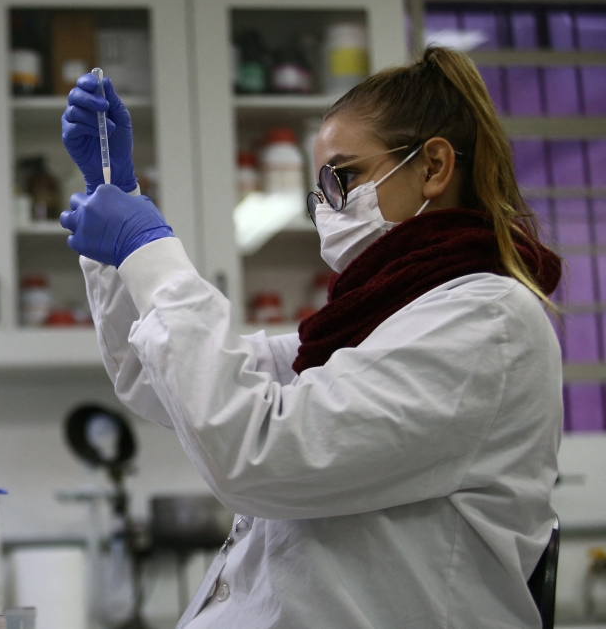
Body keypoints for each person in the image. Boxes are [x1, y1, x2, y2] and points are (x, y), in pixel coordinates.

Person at [59, 46, 563, 628]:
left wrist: (149, 250)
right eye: (318, 191)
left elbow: (256, 454)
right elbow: (160, 377)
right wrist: (117, 202)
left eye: (342, 177)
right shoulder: (374, 321)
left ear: (433, 167)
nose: (327, 208)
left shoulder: (486, 323)